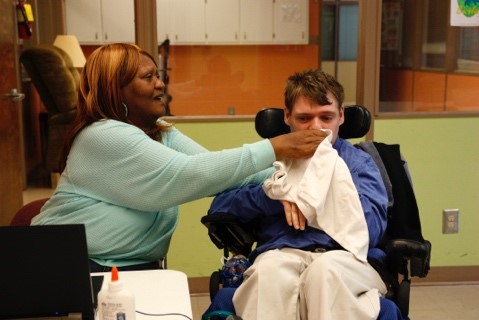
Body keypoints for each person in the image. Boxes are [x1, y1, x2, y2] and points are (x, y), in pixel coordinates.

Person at [30, 44, 328, 272]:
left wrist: (288, 183)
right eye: (148, 77)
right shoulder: (101, 136)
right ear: (115, 90)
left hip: (128, 270)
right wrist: (277, 147)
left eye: (157, 76)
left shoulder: (159, 132)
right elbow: (187, 174)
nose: (160, 84)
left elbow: (223, 175)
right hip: (65, 268)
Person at [208, 69, 389, 320]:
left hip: (343, 260)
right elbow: (220, 206)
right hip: (280, 254)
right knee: (270, 271)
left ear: (341, 117)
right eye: (304, 118)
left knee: (324, 273)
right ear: (287, 117)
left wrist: (310, 194)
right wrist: (273, 197)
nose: (316, 128)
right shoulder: (270, 161)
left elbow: (371, 229)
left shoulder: (359, 164)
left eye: (326, 117)